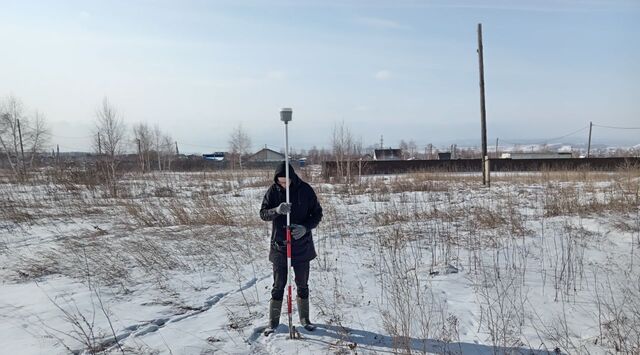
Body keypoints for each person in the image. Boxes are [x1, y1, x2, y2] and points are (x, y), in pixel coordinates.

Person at [260, 162, 323, 335]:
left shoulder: (306, 190)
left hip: (302, 248)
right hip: (280, 247)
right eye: (280, 181)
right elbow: (263, 213)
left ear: (292, 178)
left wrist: (305, 228)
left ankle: (305, 319)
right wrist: (276, 210)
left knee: (302, 284)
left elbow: (317, 214)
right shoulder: (273, 191)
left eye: (285, 181)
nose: (283, 184)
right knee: (278, 285)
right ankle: (273, 322)